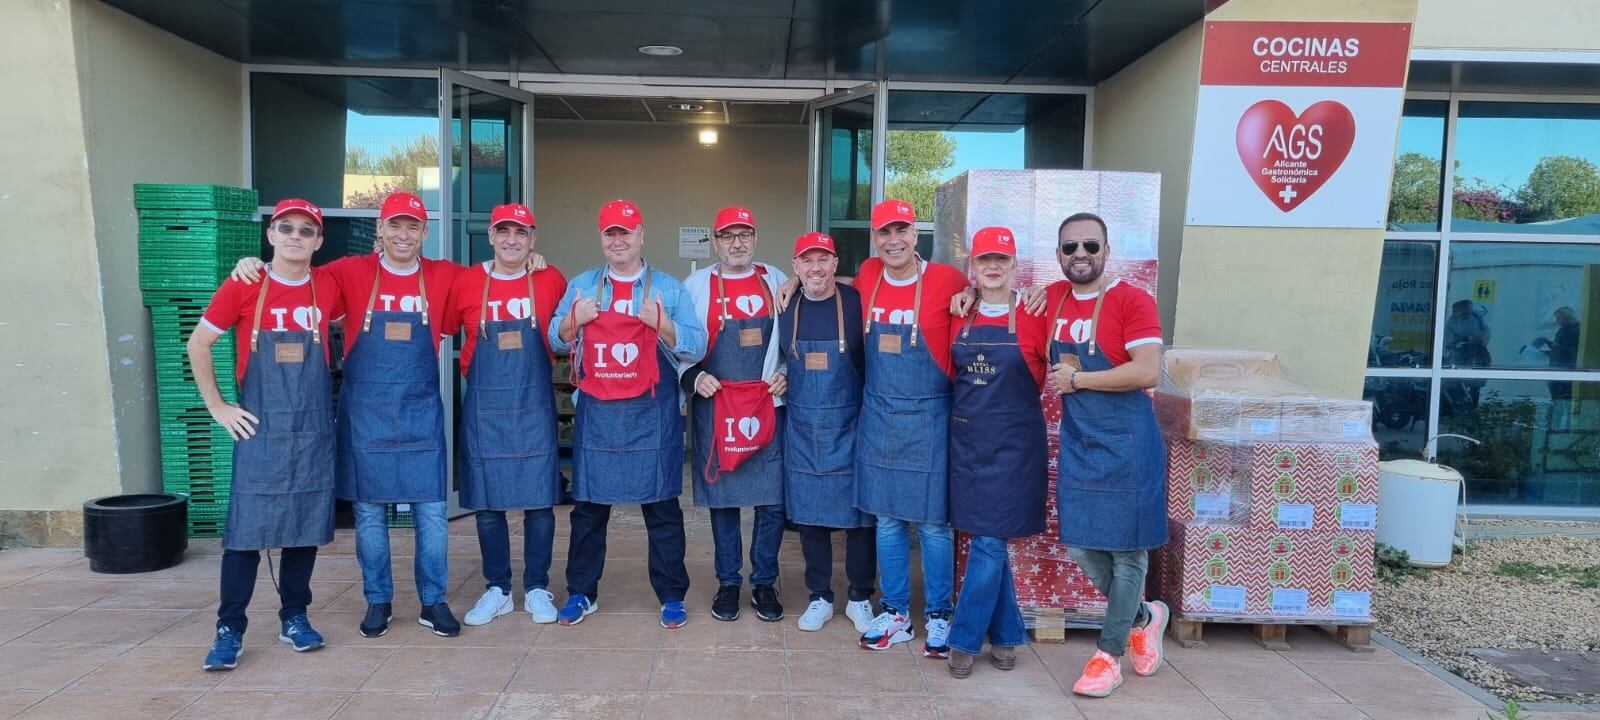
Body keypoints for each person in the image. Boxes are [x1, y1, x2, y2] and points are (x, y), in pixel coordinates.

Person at [232, 191, 463, 639]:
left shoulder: (445, 276)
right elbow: (292, 274)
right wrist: (251, 264)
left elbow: (499, 273)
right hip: (365, 416)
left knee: (432, 514)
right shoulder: (347, 272)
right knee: (371, 514)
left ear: (424, 233)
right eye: (394, 225)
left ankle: (433, 601)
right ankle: (378, 600)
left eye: (412, 226)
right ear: (380, 229)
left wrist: (532, 260)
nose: (403, 234)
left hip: (419, 416)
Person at [189, 198, 344, 670]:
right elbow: (199, 342)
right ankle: (229, 628)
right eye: (286, 227)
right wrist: (218, 407)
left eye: (306, 230)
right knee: (244, 535)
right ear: (271, 234)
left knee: (303, 527)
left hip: (312, 428)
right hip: (259, 428)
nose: (296, 236)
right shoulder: (245, 284)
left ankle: (294, 616)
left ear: (318, 241)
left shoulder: (330, 286)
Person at [549, 199, 708, 630]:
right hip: (597, 415)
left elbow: (697, 344)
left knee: (662, 509)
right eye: (609, 233)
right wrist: (573, 322)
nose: (618, 240)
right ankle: (582, 592)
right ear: (602, 239)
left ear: (641, 235)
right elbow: (555, 338)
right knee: (588, 510)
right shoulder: (583, 285)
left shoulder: (668, 289)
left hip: (651, 415)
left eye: (625, 232)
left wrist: (665, 325)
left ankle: (672, 595)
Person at [1044, 212, 1170, 698]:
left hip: (1128, 444)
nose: (1080, 255)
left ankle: (1108, 656)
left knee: (1127, 553)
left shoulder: (1132, 300)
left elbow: (1146, 371)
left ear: (1106, 251)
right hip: (1081, 442)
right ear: (1058, 254)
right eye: (1070, 247)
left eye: (1090, 247)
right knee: (1081, 546)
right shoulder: (1052, 297)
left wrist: (1078, 380)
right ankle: (1145, 617)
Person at [853, 199, 972, 657]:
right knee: (887, 521)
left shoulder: (947, 280)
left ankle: (940, 614)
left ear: (915, 235)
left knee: (934, 524)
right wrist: (790, 285)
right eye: (884, 232)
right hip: (881, 412)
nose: (893, 240)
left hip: (931, 415)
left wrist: (978, 294)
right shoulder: (867, 275)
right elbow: (835, 286)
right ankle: (897, 612)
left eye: (901, 230)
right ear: (875, 239)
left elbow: (984, 301)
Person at [449, 203, 569, 627]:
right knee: (488, 505)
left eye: (521, 233)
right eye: (504, 231)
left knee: (539, 504)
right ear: (492, 236)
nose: (512, 240)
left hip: (533, 404)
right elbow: (446, 328)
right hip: (486, 406)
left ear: (533, 239)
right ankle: (496, 589)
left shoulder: (551, 278)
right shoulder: (466, 280)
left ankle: (537, 587)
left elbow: (567, 331)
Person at [945, 227, 1050, 678]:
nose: (993, 267)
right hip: (969, 444)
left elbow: (1079, 291)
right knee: (990, 541)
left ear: (1014, 266)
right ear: (973, 265)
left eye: (1002, 260)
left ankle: (965, 638)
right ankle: (1007, 636)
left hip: (1015, 449)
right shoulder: (958, 311)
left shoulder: (1036, 313)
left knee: (988, 541)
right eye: (985, 259)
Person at [681, 206, 789, 623]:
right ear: (715, 241)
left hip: (766, 404)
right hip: (717, 406)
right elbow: (676, 342)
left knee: (772, 501)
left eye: (744, 234)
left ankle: (764, 581)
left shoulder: (776, 279)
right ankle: (728, 582)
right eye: (728, 236)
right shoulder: (695, 286)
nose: (737, 243)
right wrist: (693, 375)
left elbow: (799, 333)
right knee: (722, 500)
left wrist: (786, 372)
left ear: (755, 238)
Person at [779, 231, 877, 634]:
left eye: (824, 260)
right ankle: (818, 596)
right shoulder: (784, 304)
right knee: (810, 518)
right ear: (796, 266)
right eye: (807, 261)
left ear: (836, 264)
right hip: (802, 426)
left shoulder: (856, 302)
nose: (815, 268)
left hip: (850, 425)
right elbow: (775, 358)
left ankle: (859, 597)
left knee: (859, 518)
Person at [1534, 306, 1580, 429]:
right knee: (1557, 403)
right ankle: (1555, 427)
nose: (1557, 321)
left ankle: (1566, 428)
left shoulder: (1577, 331)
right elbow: (1558, 350)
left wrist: (1555, 346)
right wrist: (1549, 347)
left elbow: (1572, 351)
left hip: (1567, 372)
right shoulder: (1562, 330)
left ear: (1568, 317)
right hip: (1556, 370)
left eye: (1559, 318)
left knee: (1566, 403)